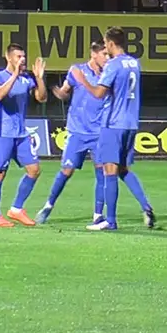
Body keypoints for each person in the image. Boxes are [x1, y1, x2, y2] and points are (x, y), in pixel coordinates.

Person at [73, 26, 156, 232]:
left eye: (105, 43)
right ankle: (145, 206)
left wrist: (83, 81)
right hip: (131, 123)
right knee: (123, 169)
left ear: (110, 43)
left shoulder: (113, 65)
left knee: (109, 171)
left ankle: (110, 220)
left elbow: (99, 93)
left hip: (113, 124)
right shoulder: (134, 63)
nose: (105, 47)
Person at [37, 40, 109, 225]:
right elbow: (64, 93)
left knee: (101, 172)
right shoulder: (77, 70)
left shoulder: (108, 73)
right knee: (67, 171)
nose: (107, 58)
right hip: (77, 130)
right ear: (94, 54)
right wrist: (54, 88)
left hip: (99, 132)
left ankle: (98, 214)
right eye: (104, 54)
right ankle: (48, 205)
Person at [0, 44, 47, 227]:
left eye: (24, 56)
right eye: (19, 56)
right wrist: (14, 75)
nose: (23, 59)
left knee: (34, 170)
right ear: (9, 58)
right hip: (3, 133)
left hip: (21, 134)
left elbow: (42, 98)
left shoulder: (26, 79)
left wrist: (39, 79)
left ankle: (16, 209)